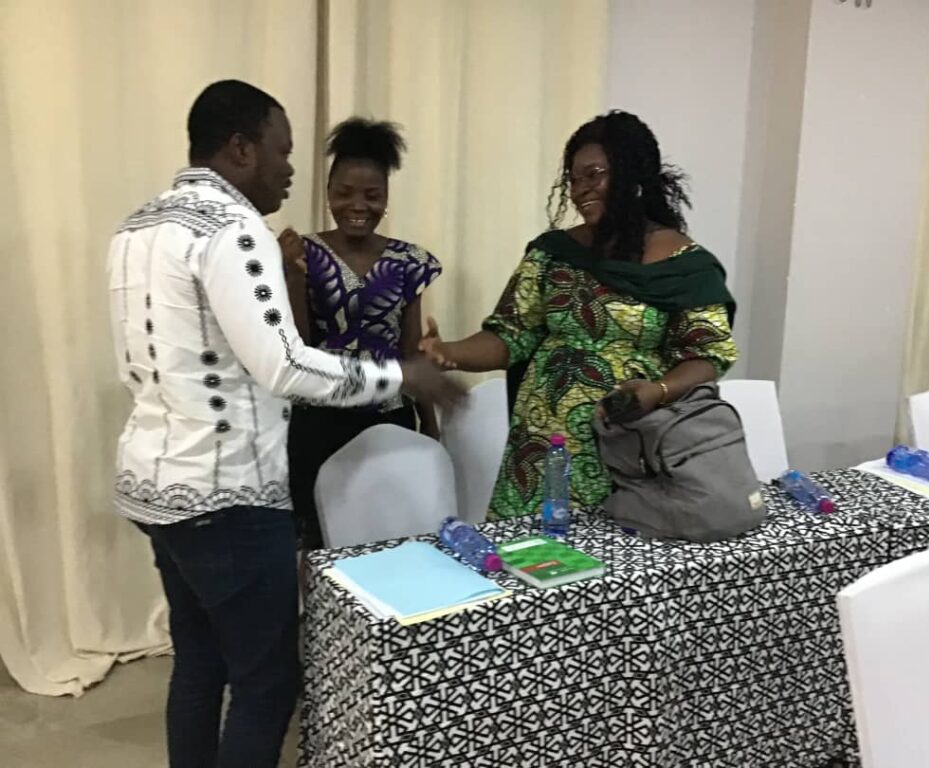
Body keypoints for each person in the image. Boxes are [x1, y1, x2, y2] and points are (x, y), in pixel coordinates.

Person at [107, 80, 462, 768]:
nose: (289, 169)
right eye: (283, 151)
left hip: (154, 487)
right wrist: (402, 376)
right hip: (226, 497)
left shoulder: (137, 227)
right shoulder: (233, 230)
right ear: (242, 149)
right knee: (268, 681)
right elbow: (287, 365)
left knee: (200, 660)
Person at [421, 111, 737, 519]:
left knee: (615, 555)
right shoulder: (554, 253)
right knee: (529, 555)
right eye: (573, 179)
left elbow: (708, 355)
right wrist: (449, 353)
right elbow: (511, 334)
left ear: (632, 173)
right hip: (541, 450)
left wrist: (658, 390)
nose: (580, 190)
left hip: (630, 446)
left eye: (594, 175)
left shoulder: (685, 265)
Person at [280, 118, 441, 549]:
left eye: (372, 195)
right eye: (344, 193)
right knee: (316, 537)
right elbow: (297, 345)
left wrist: (431, 425)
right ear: (328, 193)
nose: (358, 205)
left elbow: (410, 350)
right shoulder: (302, 252)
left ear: (386, 197)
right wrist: (293, 276)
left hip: (388, 414)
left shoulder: (409, 261)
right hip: (319, 415)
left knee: (387, 530)